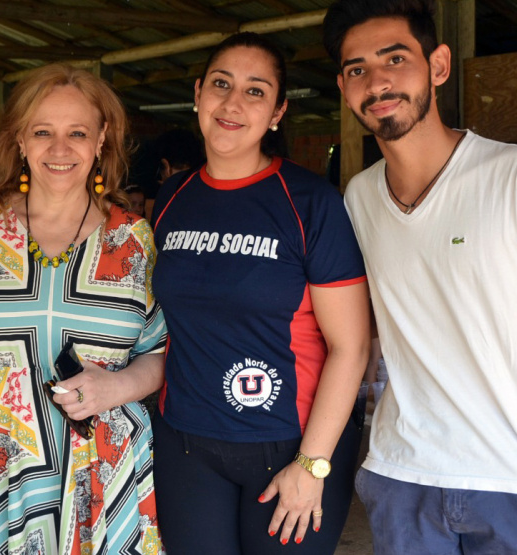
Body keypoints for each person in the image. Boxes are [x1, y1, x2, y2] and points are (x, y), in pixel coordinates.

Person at [323, 1, 517, 553]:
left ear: (438, 65)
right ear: (343, 86)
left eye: (395, 58)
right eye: (357, 68)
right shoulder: (358, 198)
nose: (377, 81)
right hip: (403, 478)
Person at [0, 64, 166, 555]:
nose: (60, 150)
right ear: (20, 138)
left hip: (102, 469)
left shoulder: (134, 241)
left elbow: (158, 354)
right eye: (43, 132)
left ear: (101, 138)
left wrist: (116, 386)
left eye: (77, 133)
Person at [151, 32, 370, 554]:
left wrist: (313, 462)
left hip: (289, 445)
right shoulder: (172, 198)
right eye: (221, 84)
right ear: (199, 93)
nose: (232, 103)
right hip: (185, 443)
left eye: (255, 91)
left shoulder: (311, 202)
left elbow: (352, 346)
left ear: (277, 112)